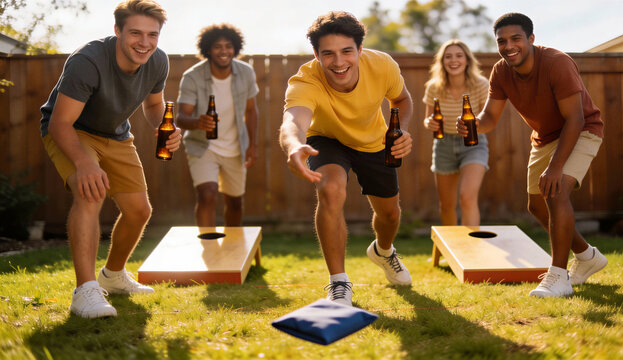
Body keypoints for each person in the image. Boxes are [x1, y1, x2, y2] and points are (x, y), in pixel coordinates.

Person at [39, 0, 182, 318]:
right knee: (90, 192)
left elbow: (154, 106)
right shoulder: (88, 60)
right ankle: (85, 291)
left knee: (139, 211)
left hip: (116, 135)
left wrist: (166, 128)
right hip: (71, 130)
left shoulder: (157, 61)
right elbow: (61, 123)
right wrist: (84, 163)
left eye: (152, 35)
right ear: (117, 30)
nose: (144, 43)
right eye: (135, 33)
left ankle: (113, 276)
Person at [457, 13, 607, 298]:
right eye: (502, 41)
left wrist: (556, 166)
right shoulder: (501, 71)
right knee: (536, 206)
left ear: (531, 39)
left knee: (556, 190)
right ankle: (588, 257)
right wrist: (473, 124)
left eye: (516, 39)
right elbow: (490, 117)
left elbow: (575, 119)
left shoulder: (556, 63)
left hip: (582, 130)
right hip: (545, 138)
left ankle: (558, 277)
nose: (508, 46)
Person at [279, 11, 414, 307]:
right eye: (328, 54)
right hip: (326, 139)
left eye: (346, 52)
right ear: (316, 54)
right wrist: (293, 146)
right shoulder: (305, 79)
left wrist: (399, 129)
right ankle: (339, 282)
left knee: (390, 215)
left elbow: (401, 99)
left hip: (374, 140)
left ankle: (384, 251)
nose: (338, 63)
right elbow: (293, 121)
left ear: (360, 49)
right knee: (330, 188)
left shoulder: (382, 65)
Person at [176, 24, 259, 227]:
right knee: (207, 195)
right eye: (217, 46)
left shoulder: (246, 73)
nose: (224, 51)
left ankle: (233, 253)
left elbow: (251, 110)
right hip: (202, 146)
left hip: (236, 146)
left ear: (235, 48)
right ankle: (209, 248)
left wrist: (253, 145)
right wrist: (198, 122)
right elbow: (180, 118)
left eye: (228, 46)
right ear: (208, 50)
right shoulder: (192, 77)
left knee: (235, 203)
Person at [423, 39, 489, 226]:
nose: (454, 60)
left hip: (473, 143)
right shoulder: (434, 86)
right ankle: (448, 253)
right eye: (448, 56)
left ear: (467, 60)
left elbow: (487, 118)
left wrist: (475, 125)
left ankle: (471, 252)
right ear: (442, 61)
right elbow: (427, 119)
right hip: (443, 145)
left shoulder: (480, 84)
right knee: (446, 205)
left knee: (467, 197)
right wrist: (430, 123)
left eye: (459, 56)